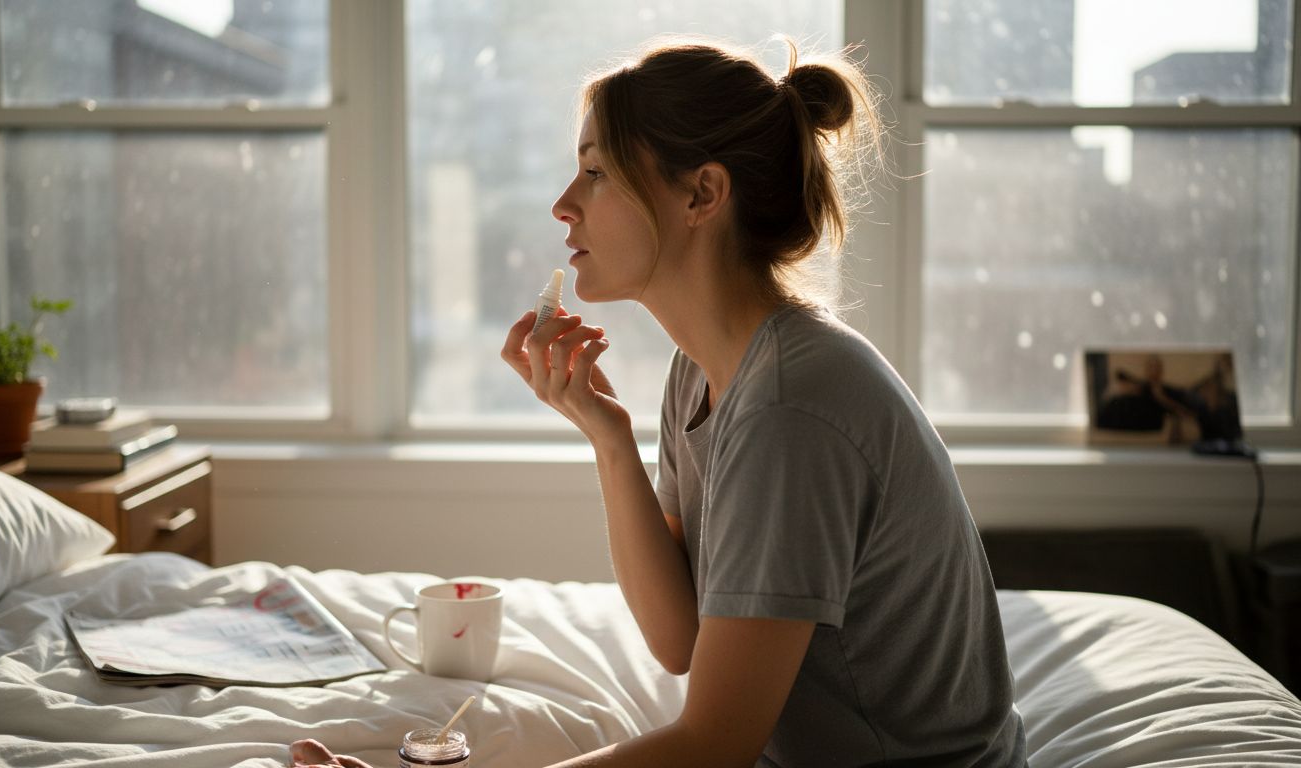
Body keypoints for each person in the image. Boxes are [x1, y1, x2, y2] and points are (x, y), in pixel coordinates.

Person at [291, 36, 1027, 768]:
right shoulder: (701, 372)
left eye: (595, 173)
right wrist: (609, 438)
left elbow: (714, 744)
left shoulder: (790, 408)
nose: (563, 204)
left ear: (701, 193)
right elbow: (679, 642)